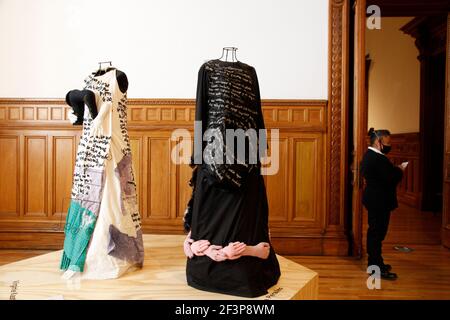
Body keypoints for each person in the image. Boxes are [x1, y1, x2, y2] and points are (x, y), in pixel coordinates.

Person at [361, 128, 406, 280]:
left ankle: (376, 264)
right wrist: (399, 170)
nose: (389, 145)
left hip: (376, 199)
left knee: (377, 233)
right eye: (387, 142)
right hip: (378, 201)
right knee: (376, 234)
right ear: (378, 142)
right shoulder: (377, 158)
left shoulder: (371, 156)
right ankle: (375, 268)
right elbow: (391, 178)